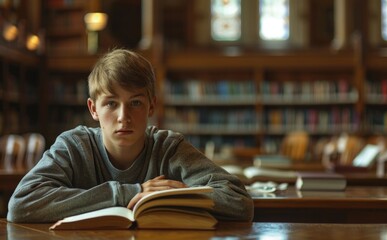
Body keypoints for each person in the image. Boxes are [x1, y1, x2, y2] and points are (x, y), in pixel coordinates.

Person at [7, 49, 254, 223]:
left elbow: (239, 201)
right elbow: (21, 205)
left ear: (151, 106)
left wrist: (166, 198)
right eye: (111, 104)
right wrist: (131, 192)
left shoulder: (168, 147)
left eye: (135, 103)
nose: (123, 116)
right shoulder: (73, 146)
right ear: (93, 109)